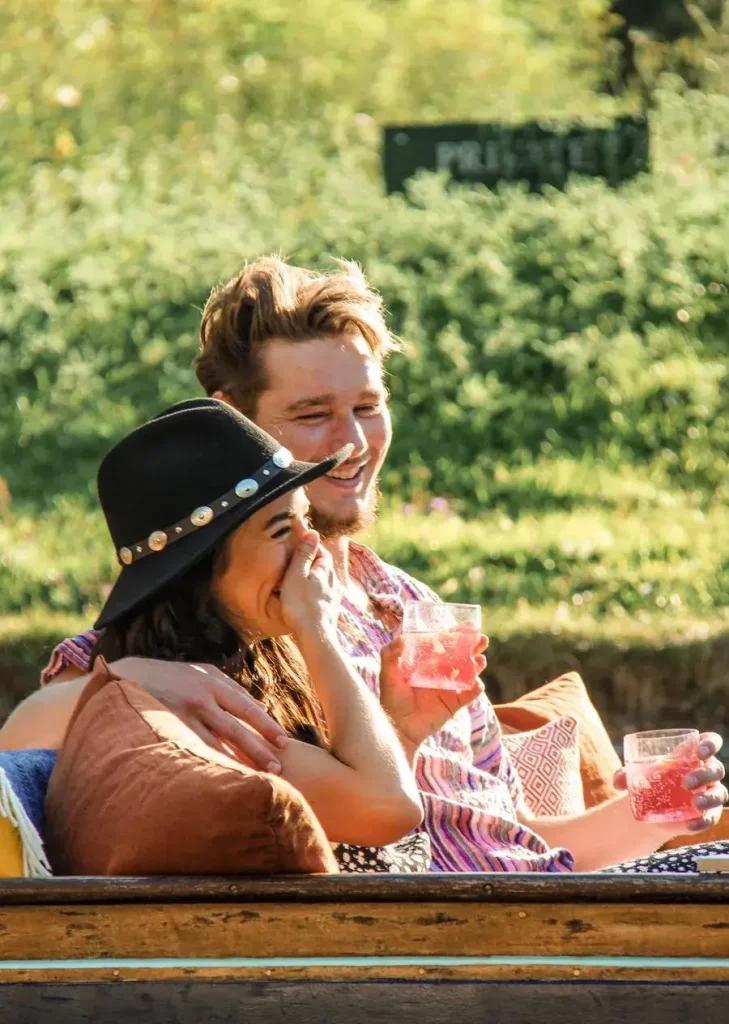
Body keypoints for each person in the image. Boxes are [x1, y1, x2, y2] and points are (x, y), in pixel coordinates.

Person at [2, 257, 726, 872]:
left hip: (534, 902)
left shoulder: (412, 607)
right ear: (235, 421)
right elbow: (38, 738)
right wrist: (121, 679)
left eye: (368, 406)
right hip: (444, 940)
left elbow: (507, 840)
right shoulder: (212, 627)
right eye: (314, 414)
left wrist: (649, 814)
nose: (351, 442)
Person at [65, 396, 432, 872]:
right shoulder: (195, 713)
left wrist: (403, 730)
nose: (311, 545)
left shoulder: (260, 658)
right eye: (282, 529)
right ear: (200, 571)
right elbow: (390, 808)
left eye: (307, 518)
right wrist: (317, 631)